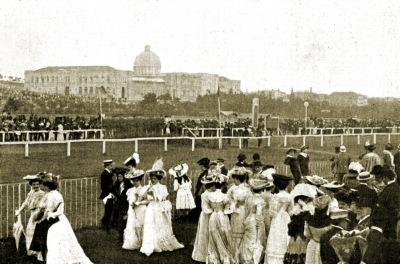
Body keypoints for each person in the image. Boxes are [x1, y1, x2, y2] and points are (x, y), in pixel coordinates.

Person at [30, 173, 93, 263]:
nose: (43, 188)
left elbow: (48, 211)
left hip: (54, 221)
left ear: (48, 186)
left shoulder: (51, 196)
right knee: (67, 240)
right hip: (62, 220)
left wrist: (41, 220)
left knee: (54, 241)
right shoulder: (57, 193)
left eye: (44, 186)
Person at [140, 159, 184, 256]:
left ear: (158, 179)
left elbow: (161, 198)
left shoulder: (162, 187)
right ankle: (150, 244)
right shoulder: (149, 187)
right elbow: (144, 196)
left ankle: (159, 242)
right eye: (151, 178)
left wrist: (153, 193)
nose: (152, 180)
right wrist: (148, 189)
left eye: (155, 179)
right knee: (150, 225)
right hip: (151, 208)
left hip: (158, 208)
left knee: (159, 225)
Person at [206, 172, 236, 263]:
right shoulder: (225, 196)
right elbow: (230, 208)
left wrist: (213, 210)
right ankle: (225, 257)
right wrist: (226, 211)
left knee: (213, 234)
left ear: (214, 185)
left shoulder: (209, 195)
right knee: (224, 234)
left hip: (213, 216)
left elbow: (208, 208)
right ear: (222, 186)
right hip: (222, 216)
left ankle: (214, 257)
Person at [265, 174, 294, 264]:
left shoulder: (274, 197)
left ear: (277, 185)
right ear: (286, 185)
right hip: (286, 218)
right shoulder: (289, 196)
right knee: (285, 236)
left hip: (276, 219)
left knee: (275, 236)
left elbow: (271, 212)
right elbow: (291, 211)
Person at [284, 183, 316, 264]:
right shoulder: (307, 209)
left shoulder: (296, 208)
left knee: (295, 254)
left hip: (295, 236)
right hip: (301, 236)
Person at [15, 174, 45, 257]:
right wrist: (19, 211)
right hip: (33, 214)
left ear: (40, 185)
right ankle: (31, 251)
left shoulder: (42, 193)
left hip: (38, 214)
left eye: (37, 184)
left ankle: (38, 252)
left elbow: (42, 206)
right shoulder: (31, 193)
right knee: (29, 232)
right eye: (34, 184)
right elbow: (25, 203)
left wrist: (37, 216)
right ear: (31, 185)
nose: (36, 186)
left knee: (36, 232)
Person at [227, 167, 252, 255]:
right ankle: (237, 250)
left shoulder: (244, 188)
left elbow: (249, 201)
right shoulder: (234, 188)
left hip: (241, 211)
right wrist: (233, 203)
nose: (234, 181)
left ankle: (239, 251)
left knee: (239, 228)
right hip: (239, 211)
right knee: (237, 228)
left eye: (235, 179)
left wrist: (237, 203)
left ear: (238, 179)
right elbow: (228, 197)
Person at [192, 174, 216, 262]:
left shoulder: (213, 194)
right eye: (214, 185)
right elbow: (205, 208)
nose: (215, 187)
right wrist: (214, 211)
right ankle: (204, 253)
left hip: (212, 215)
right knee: (205, 233)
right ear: (211, 186)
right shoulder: (204, 195)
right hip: (206, 216)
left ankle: (212, 252)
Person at [123, 169, 148, 250]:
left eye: (136, 181)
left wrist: (138, 203)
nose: (135, 182)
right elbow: (129, 203)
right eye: (133, 181)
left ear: (140, 180)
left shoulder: (144, 189)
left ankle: (142, 242)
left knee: (141, 225)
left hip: (141, 210)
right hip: (131, 211)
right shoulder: (130, 190)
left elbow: (147, 201)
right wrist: (128, 211)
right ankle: (134, 243)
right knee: (132, 226)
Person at [304, 195, 333, 264]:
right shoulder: (330, 221)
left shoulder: (309, 219)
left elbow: (307, 235)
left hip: (312, 244)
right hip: (324, 247)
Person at [376, 168, 400, 239]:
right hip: (395, 216)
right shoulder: (397, 187)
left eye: (383, 178)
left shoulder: (388, 189)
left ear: (386, 178)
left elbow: (382, 202)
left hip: (388, 218)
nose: (383, 180)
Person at [112, 167, 131, 242]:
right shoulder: (116, 184)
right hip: (118, 205)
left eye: (120, 176)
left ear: (124, 177)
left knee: (124, 221)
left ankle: (126, 237)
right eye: (118, 176)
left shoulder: (128, 185)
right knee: (118, 221)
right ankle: (120, 236)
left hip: (125, 205)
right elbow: (114, 192)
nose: (119, 178)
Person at [99, 159, 115, 232]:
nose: (112, 167)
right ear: (108, 166)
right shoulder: (104, 174)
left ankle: (106, 226)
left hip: (108, 194)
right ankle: (105, 227)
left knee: (109, 211)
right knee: (108, 212)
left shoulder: (107, 173)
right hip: (107, 195)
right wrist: (111, 191)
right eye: (111, 165)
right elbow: (104, 186)